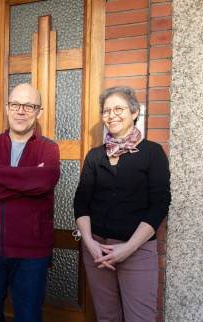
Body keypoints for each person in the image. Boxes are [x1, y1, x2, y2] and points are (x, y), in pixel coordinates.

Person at [73, 86, 171, 322]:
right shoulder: (95, 156)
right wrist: (90, 243)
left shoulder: (152, 153)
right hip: (97, 251)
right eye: (106, 111)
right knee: (107, 317)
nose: (112, 115)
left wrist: (127, 249)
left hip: (136, 250)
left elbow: (159, 204)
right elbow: (81, 200)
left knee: (141, 318)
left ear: (135, 112)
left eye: (119, 108)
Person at [0, 83, 60, 322]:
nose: (21, 111)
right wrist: (28, 185)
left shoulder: (48, 148)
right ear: (7, 108)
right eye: (16, 104)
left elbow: (47, 179)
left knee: (28, 317)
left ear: (39, 112)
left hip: (31, 255)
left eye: (29, 106)